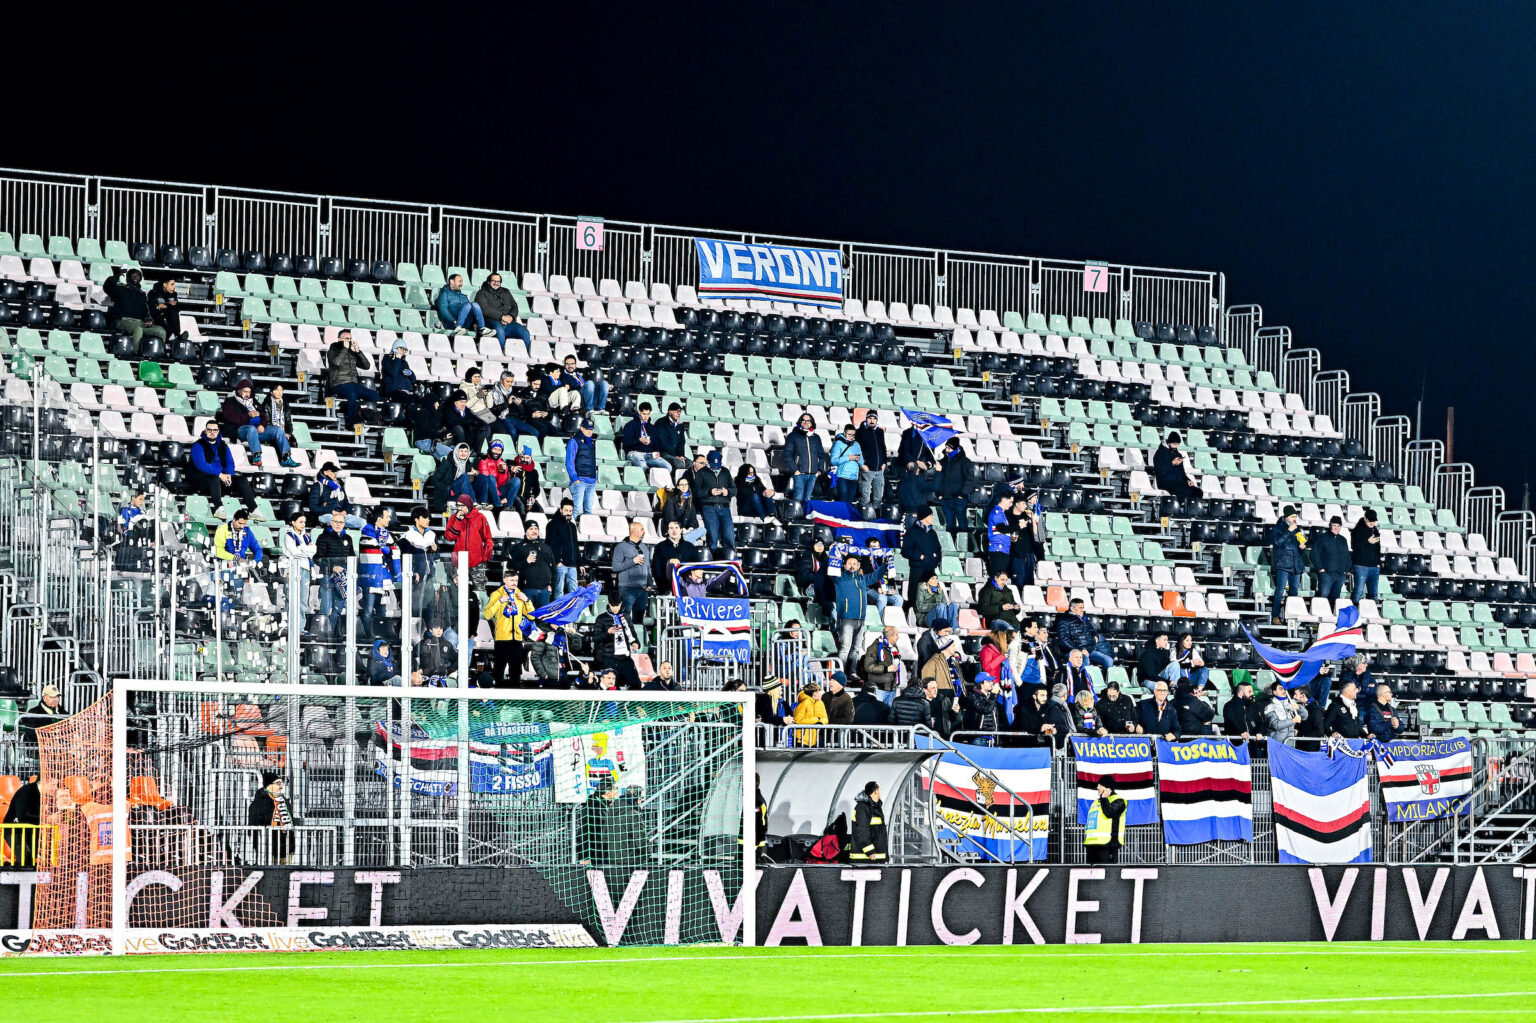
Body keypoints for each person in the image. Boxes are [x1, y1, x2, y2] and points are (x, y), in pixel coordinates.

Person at [220, 378, 295, 468]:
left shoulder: (254, 402)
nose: (247, 394)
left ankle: (286, 457)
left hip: (256, 431)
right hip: (240, 430)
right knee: (251, 429)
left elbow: (263, 416)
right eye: (245, 391)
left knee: (278, 430)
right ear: (239, 391)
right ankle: (256, 456)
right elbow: (229, 418)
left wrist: (262, 425)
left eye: (249, 392)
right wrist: (248, 416)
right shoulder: (230, 401)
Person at [443, 494, 494, 623]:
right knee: (458, 588)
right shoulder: (455, 518)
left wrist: (485, 556)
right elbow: (449, 537)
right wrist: (458, 521)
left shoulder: (480, 517)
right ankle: (459, 614)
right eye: (458, 506)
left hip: (477, 561)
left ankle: (483, 617)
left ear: (468, 505)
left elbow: (488, 539)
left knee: (480, 590)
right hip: (459, 561)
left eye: (462, 506)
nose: (459, 508)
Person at [483, 569, 535, 686]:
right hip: (502, 638)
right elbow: (487, 615)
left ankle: (514, 700)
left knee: (516, 672)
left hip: (516, 638)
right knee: (499, 671)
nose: (514, 583)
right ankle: (497, 700)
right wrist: (499, 602)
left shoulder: (520, 595)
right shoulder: (496, 594)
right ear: (505, 580)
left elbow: (531, 617)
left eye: (516, 580)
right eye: (511, 580)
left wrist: (527, 600)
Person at [190, 418, 257, 505]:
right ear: (206, 431)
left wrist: (229, 474)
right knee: (214, 478)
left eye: (215, 430)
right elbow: (202, 465)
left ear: (218, 431)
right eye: (209, 430)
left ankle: (253, 509)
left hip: (220, 480)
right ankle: (218, 508)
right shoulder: (198, 445)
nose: (212, 432)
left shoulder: (223, 446)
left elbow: (230, 463)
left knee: (241, 479)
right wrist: (219, 474)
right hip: (203, 480)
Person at [357, 506, 401, 637]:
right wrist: (386, 549)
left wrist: (385, 549)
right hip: (370, 576)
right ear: (379, 518)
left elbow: (394, 549)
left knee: (382, 609)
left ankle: (380, 635)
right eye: (387, 516)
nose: (389, 519)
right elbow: (372, 546)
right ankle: (368, 635)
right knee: (368, 609)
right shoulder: (366, 531)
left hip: (383, 577)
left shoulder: (387, 535)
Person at [1055, 597, 1114, 685]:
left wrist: (1095, 636)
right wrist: (1080, 650)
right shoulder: (1064, 621)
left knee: (1108, 660)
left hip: (1089, 650)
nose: (1082, 610)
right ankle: (1085, 684)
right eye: (1080, 608)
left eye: (1083, 607)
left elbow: (1092, 630)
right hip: (1073, 651)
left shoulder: (1084, 619)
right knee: (1085, 661)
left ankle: (1104, 684)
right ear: (1072, 608)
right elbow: (1064, 640)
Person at [833, 554, 875, 674]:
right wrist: (833, 556)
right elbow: (830, 569)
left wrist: (886, 565)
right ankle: (839, 673)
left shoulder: (862, 579)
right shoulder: (839, 577)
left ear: (858, 566)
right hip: (846, 618)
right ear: (844, 565)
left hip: (861, 619)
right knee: (845, 648)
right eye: (850, 563)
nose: (852, 566)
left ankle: (852, 672)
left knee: (856, 649)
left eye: (855, 564)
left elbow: (876, 575)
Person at [326, 328, 377, 428]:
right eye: (346, 338)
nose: (349, 341)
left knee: (374, 395)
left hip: (353, 383)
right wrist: (344, 349)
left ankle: (365, 414)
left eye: (350, 338)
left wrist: (358, 352)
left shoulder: (351, 352)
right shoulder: (333, 350)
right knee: (352, 394)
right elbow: (336, 363)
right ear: (339, 339)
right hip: (339, 383)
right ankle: (351, 422)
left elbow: (366, 366)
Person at [315, 508, 354, 632]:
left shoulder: (348, 538)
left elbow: (352, 556)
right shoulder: (323, 537)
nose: (338, 524)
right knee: (326, 607)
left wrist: (351, 569)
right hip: (327, 576)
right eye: (336, 522)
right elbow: (318, 558)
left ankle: (330, 631)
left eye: (341, 522)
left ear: (344, 524)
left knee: (338, 607)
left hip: (342, 578)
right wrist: (332, 567)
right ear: (331, 523)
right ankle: (322, 632)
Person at [593, 593, 643, 690]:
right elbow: (596, 639)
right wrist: (607, 633)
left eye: (617, 605)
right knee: (612, 687)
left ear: (621, 604)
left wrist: (636, 643)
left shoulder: (626, 617)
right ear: (609, 604)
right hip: (609, 657)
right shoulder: (601, 618)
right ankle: (612, 705)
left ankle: (631, 705)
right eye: (613, 606)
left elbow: (633, 635)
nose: (615, 608)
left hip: (625, 658)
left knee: (636, 685)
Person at [104, 268, 165, 344]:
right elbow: (107, 286)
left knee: (160, 330)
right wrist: (117, 275)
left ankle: (159, 353)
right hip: (122, 321)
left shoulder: (142, 294)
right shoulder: (120, 289)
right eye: (133, 274)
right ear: (128, 277)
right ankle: (136, 353)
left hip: (139, 322)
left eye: (138, 275)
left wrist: (147, 319)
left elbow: (145, 311)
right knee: (138, 329)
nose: (136, 277)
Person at [473, 272, 531, 351]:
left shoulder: (506, 292)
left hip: (508, 322)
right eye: (493, 281)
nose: (496, 283)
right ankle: (499, 355)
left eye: (498, 281)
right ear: (488, 282)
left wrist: (511, 317)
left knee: (525, 333)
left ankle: (525, 354)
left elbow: (515, 306)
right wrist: (502, 317)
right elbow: (484, 309)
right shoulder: (482, 293)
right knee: (499, 330)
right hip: (490, 321)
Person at [694, 450, 737, 558]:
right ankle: (712, 560)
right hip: (709, 507)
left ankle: (729, 560)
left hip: (725, 508)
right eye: (714, 464)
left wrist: (728, 492)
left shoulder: (726, 472)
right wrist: (709, 492)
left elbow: (734, 489)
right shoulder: (701, 473)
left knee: (729, 535)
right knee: (713, 536)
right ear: (708, 462)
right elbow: (696, 492)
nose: (716, 467)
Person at [397, 507, 438, 617]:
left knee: (430, 610)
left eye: (428, 517)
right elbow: (403, 559)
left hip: (430, 578)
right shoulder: (407, 537)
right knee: (414, 610)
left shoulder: (432, 535)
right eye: (425, 517)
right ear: (416, 519)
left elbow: (436, 558)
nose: (428, 520)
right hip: (415, 581)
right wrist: (412, 572)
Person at [1269, 505, 1307, 624]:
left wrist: (1303, 546)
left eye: (1295, 516)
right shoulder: (1278, 528)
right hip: (1283, 563)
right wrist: (1288, 531)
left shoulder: (1298, 528)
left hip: (1296, 563)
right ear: (1286, 517)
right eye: (1292, 516)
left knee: (1294, 591)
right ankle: (1275, 616)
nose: (1294, 518)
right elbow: (1277, 543)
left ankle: (1290, 616)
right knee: (1280, 590)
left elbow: (1301, 544)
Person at [612, 520, 653, 629]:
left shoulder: (644, 547)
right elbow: (615, 567)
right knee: (624, 618)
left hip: (642, 589)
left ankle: (637, 643)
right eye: (642, 529)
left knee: (639, 620)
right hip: (627, 589)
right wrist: (632, 561)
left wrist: (650, 582)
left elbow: (647, 567)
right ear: (634, 531)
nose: (644, 531)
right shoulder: (621, 547)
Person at [899, 507, 943, 606]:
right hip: (917, 570)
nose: (933, 517)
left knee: (930, 597)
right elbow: (905, 551)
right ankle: (913, 616)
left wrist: (936, 559)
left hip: (931, 570)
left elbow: (938, 549)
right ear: (924, 517)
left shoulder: (932, 533)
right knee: (915, 595)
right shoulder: (912, 532)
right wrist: (920, 556)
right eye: (931, 515)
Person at [247, 772, 295, 862]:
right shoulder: (259, 803)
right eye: (278, 783)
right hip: (267, 848)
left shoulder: (283, 800)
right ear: (268, 785)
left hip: (286, 847)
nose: (281, 786)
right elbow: (254, 825)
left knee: (287, 872)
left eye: (282, 783)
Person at [783, 412, 827, 502]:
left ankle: (806, 516)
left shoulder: (816, 437)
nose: (805, 422)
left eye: (808, 421)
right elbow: (787, 454)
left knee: (808, 499)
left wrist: (819, 471)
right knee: (798, 498)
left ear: (812, 423)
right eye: (803, 420)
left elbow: (822, 455)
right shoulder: (793, 436)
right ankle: (796, 516)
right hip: (799, 474)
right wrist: (795, 470)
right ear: (800, 422)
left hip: (813, 474)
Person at [309, 461, 366, 528]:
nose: (335, 473)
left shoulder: (338, 487)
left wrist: (345, 511)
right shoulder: (318, 486)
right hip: (324, 515)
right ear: (325, 472)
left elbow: (347, 504)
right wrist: (331, 511)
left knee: (362, 522)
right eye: (333, 471)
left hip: (340, 515)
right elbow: (313, 507)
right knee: (335, 521)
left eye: (336, 471)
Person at [1083, 778, 1128, 864]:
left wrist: (1104, 798)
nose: (1097, 787)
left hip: (1108, 845)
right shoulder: (1096, 802)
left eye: (1100, 785)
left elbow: (1110, 813)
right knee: (1091, 875)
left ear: (1108, 787)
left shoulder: (1119, 801)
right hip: (1092, 845)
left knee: (1107, 874)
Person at [935, 437, 972, 537]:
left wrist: (962, 494)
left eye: (949, 448)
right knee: (950, 524)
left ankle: (963, 546)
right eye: (946, 447)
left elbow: (970, 480)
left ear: (956, 448)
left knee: (962, 524)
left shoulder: (965, 462)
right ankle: (952, 546)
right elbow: (939, 479)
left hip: (959, 499)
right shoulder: (942, 462)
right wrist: (939, 493)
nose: (947, 450)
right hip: (945, 498)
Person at [620, 402, 673, 472]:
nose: (646, 417)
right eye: (644, 414)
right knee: (643, 466)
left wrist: (653, 446)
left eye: (648, 414)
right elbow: (626, 443)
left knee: (668, 467)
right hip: (634, 453)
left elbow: (657, 444)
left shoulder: (652, 427)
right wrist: (639, 440)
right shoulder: (630, 425)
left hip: (649, 454)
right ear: (639, 412)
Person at [281, 510, 316, 614]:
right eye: (300, 522)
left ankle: (300, 628)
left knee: (303, 601)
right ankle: (289, 626)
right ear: (293, 522)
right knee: (291, 598)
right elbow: (295, 553)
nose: (303, 524)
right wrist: (307, 550)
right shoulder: (289, 535)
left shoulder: (307, 536)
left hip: (305, 569)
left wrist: (302, 548)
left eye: (304, 522)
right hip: (293, 569)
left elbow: (314, 551)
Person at [426, 443, 475, 514]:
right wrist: (447, 488)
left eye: (465, 451)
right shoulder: (446, 463)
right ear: (456, 452)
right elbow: (434, 480)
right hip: (448, 492)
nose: (463, 453)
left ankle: (482, 502)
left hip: (459, 494)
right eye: (461, 451)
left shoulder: (468, 465)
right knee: (464, 476)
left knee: (482, 477)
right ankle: (471, 502)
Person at [437, 272, 490, 337]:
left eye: (462, 282)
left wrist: (475, 322)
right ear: (452, 281)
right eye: (459, 281)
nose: (461, 284)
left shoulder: (463, 296)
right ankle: (458, 327)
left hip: (466, 323)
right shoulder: (445, 294)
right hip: (453, 322)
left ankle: (482, 328)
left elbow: (470, 310)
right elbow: (443, 309)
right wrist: (453, 320)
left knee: (475, 304)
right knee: (468, 305)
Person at [1313, 515, 1352, 602]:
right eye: (1334, 525)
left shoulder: (1343, 540)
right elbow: (1314, 554)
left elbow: (1347, 555)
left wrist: (1346, 569)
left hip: (1340, 574)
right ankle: (1321, 614)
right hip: (1327, 573)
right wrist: (1320, 568)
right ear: (1330, 525)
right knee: (1323, 597)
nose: (1336, 528)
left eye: (1338, 526)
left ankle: (1332, 614)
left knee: (1335, 599)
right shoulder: (1322, 538)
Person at [1152, 431, 1201, 500]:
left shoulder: (1178, 455)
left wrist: (1188, 480)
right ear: (1169, 443)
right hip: (1165, 482)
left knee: (1198, 492)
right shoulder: (1160, 454)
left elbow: (1182, 473)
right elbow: (1159, 471)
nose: (1176, 446)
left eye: (1178, 444)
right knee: (1186, 491)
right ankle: (1176, 507)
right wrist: (1172, 463)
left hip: (1179, 483)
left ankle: (1191, 509)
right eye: (1174, 444)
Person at [565, 417, 599, 515]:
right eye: (587, 429)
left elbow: (592, 461)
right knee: (577, 510)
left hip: (591, 481)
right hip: (579, 480)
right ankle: (571, 529)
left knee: (588, 510)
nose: (589, 431)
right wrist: (575, 479)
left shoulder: (591, 443)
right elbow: (569, 462)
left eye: (591, 429)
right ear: (582, 428)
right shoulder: (574, 441)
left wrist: (594, 477)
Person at [548, 498, 581, 599]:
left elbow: (575, 545)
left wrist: (579, 563)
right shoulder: (552, 524)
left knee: (574, 593)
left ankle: (572, 613)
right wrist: (557, 561)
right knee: (559, 592)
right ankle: (558, 613)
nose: (568, 513)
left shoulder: (572, 526)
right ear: (561, 510)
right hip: (560, 564)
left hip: (572, 565)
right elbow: (550, 545)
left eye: (570, 511)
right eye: (566, 510)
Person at [854, 410, 887, 507]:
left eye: (874, 418)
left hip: (879, 470)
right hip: (867, 469)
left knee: (878, 497)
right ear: (866, 419)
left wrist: (884, 462)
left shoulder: (880, 431)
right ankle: (862, 518)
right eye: (870, 418)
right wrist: (861, 464)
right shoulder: (860, 432)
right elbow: (856, 449)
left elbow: (883, 447)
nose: (872, 420)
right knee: (865, 497)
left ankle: (875, 519)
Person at [849, 781, 889, 862]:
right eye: (879, 790)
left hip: (875, 857)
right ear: (876, 791)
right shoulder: (862, 808)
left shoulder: (875, 807)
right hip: (865, 858)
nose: (880, 793)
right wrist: (870, 851)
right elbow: (862, 830)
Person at [474, 439, 519, 509]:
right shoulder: (483, 460)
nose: (497, 452)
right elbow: (486, 481)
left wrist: (502, 473)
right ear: (490, 449)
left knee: (516, 481)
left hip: (498, 492)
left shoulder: (502, 462)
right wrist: (500, 497)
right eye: (495, 449)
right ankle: (498, 505)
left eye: (499, 450)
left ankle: (508, 506)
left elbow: (501, 483)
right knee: (490, 477)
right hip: (487, 492)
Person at [860, 625, 903, 694]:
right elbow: (868, 667)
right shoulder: (874, 648)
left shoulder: (894, 648)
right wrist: (886, 669)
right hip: (878, 688)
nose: (898, 636)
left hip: (892, 687)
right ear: (890, 636)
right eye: (896, 635)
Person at [1351, 509, 1382, 602]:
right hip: (1361, 565)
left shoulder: (1375, 530)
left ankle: (1373, 612)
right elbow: (1354, 546)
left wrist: (1378, 563)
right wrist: (1367, 541)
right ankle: (1355, 611)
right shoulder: (1357, 530)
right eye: (1370, 520)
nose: (1372, 523)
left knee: (1374, 594)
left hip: (1374, 566)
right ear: (1365, 519)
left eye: (1374, 521)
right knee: (1358, 592)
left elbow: (1377, 548)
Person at [829, 422, 864, 503]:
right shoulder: (838, 443)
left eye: (853, 435)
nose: (852, 437)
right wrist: (848, 458)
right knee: (842, 501)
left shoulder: (856, 444)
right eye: (849, 434)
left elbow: (861, 460)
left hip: (853, 477)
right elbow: (833, 460)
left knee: (850, 502)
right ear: (844, 433)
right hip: (842, 476)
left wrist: (858, 459)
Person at [416, 618, 457, 683]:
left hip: (443, 678)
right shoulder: (423, 644)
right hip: (424, 678)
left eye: (441, 628)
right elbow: (410, 656)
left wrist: (448, 670)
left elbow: (457, 660)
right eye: (436, 628)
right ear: (430, 630)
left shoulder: (447, 644)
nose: (439, 631)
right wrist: (417, 671)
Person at [146, 276, 186, 341]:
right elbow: (150, 308)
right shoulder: (153, 293)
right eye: (172, 284)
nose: (174, 287)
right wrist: (159, 305)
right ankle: (176, 336)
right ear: (165, 285)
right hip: (156, 318)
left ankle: (176, 334)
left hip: (168, 318)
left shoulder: (173, 294)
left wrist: (173, 304)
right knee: (165, 314)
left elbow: (178, 308)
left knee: (173, 311)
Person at [652, 402, 689, 471]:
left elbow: (682, 442)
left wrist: (681, 455)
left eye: (680, 411)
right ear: (670, 412)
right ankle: (674, 481)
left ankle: (686, 481)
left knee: (690, 464)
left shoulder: (680, 425)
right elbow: (663, 442)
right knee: (679, 463)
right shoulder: (661, 422)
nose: (678, 413)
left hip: (675, 455)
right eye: (676, 411)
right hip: (663, 453)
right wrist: (675, 456)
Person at [791, 682, 829, 747]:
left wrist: (821, 723)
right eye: (819, 691)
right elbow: (798, 721)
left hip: (815, 738)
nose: (821, 693)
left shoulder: (820, 703)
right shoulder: (804, 703)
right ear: (814, 694)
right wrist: (816, 719)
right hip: (801, 739)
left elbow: (824, 717)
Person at [380, 339, 416, 405]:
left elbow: (413, 380)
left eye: (405, 350)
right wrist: (397, 359)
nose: (403, 351)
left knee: (420, 400)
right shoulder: (387, 359)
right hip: (394, 390)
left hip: (407, 390)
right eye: (402, 349)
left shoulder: (404, 362)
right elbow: (393, 372)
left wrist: (410, 373)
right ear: (395, 348)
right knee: (408, 399)